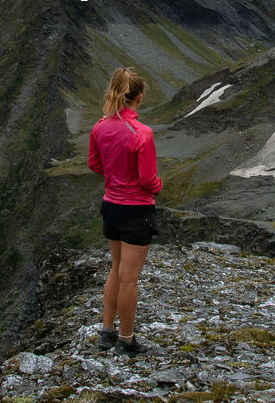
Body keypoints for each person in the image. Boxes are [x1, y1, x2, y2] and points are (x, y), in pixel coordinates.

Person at [87, 67, 162, 356]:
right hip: (136, 211)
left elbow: (94, 165)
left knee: (116, 268)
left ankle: (106, 331)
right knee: (130, 276)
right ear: (139, 97)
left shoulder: (99, 127)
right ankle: (127, 340)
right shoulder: (142, 133)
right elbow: (147, 179)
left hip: (111, 207)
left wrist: (115, 172)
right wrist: (158, 185)